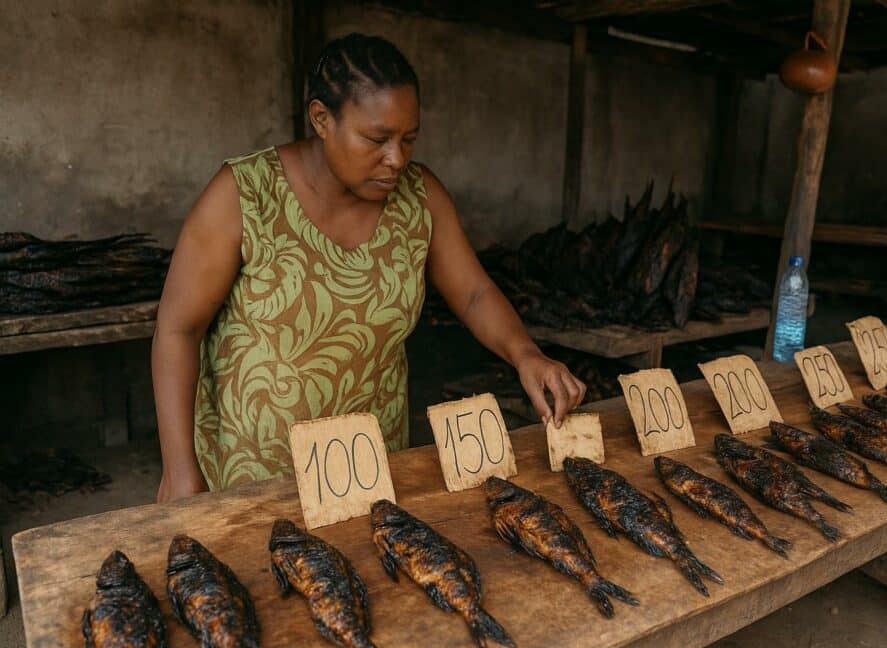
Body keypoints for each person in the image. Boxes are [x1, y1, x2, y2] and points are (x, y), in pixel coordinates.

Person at [153, 34, 586, 502]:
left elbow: (474, 293)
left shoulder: (421, 199)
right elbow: (179, 330)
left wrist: (526, 354)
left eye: (409, 139)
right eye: (377, 139)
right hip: (247, 481)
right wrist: (179, 471)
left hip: (366, 477)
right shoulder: (244, 196)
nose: (397, 158)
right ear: (322, 119)